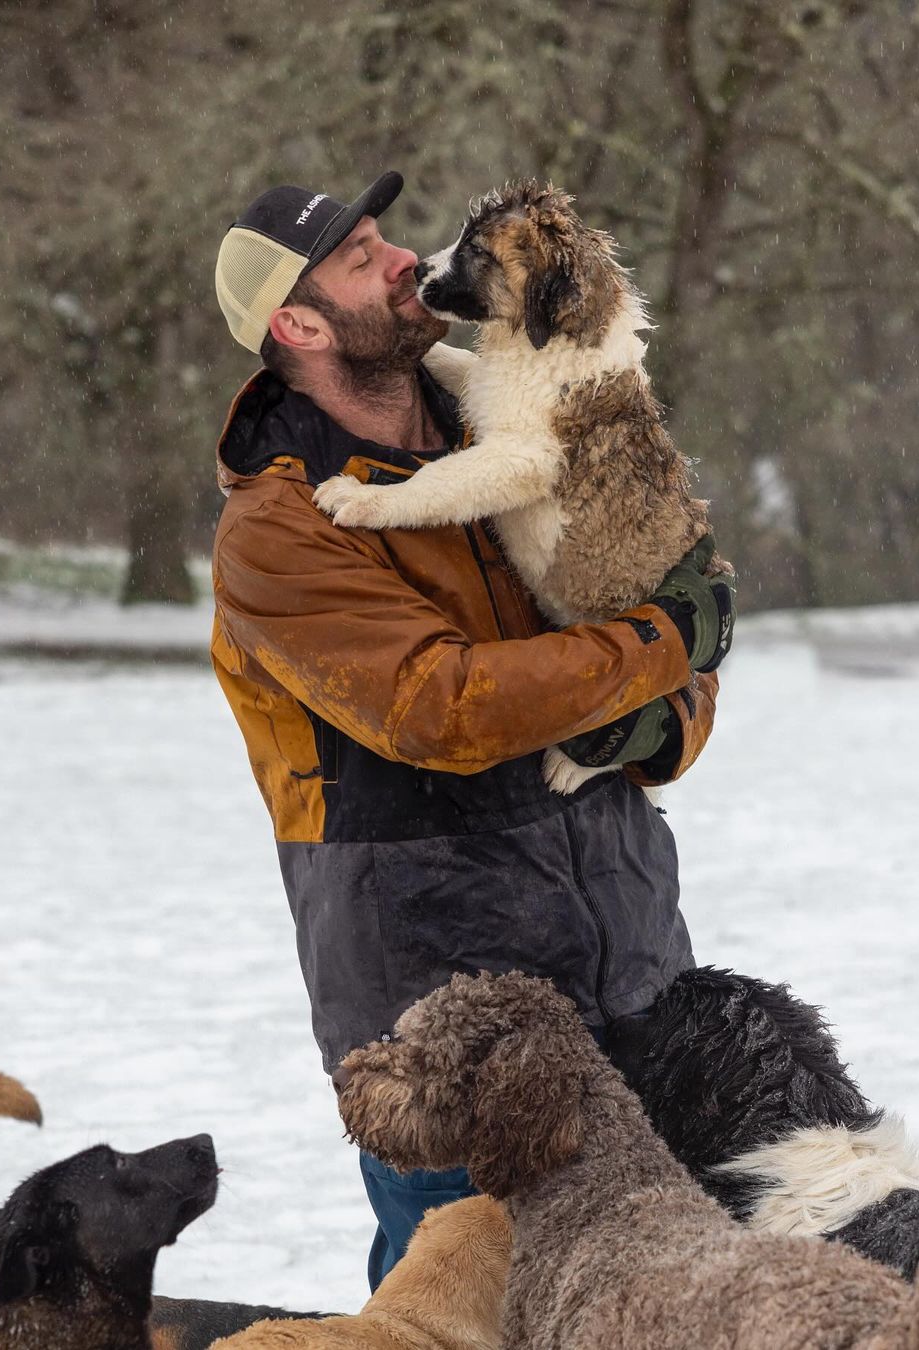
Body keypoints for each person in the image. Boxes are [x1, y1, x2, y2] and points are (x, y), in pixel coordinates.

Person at [211, 171, 734, 1290]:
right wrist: (665, 644)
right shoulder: (282, 525)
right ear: (296, 323)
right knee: (466, 1317)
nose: (402, 259)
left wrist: (655, 720)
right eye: (360, 257)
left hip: (636, 980)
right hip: (449, 1034)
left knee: (675, 1304)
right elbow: (445, 709)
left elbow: (662, 653)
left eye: (391, 237)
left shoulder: (524, 426)